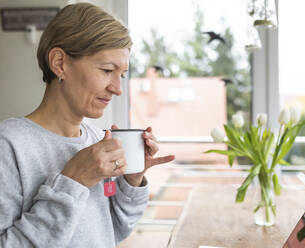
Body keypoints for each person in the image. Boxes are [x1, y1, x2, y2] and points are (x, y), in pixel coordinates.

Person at [0, 3, 175, 247]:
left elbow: (114, 231)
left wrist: (132, 180)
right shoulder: (8, 145)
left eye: (121, 75)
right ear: (60, 63)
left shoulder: (97, 141)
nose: (117, 88)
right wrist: (73, 181)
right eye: (106, 70)